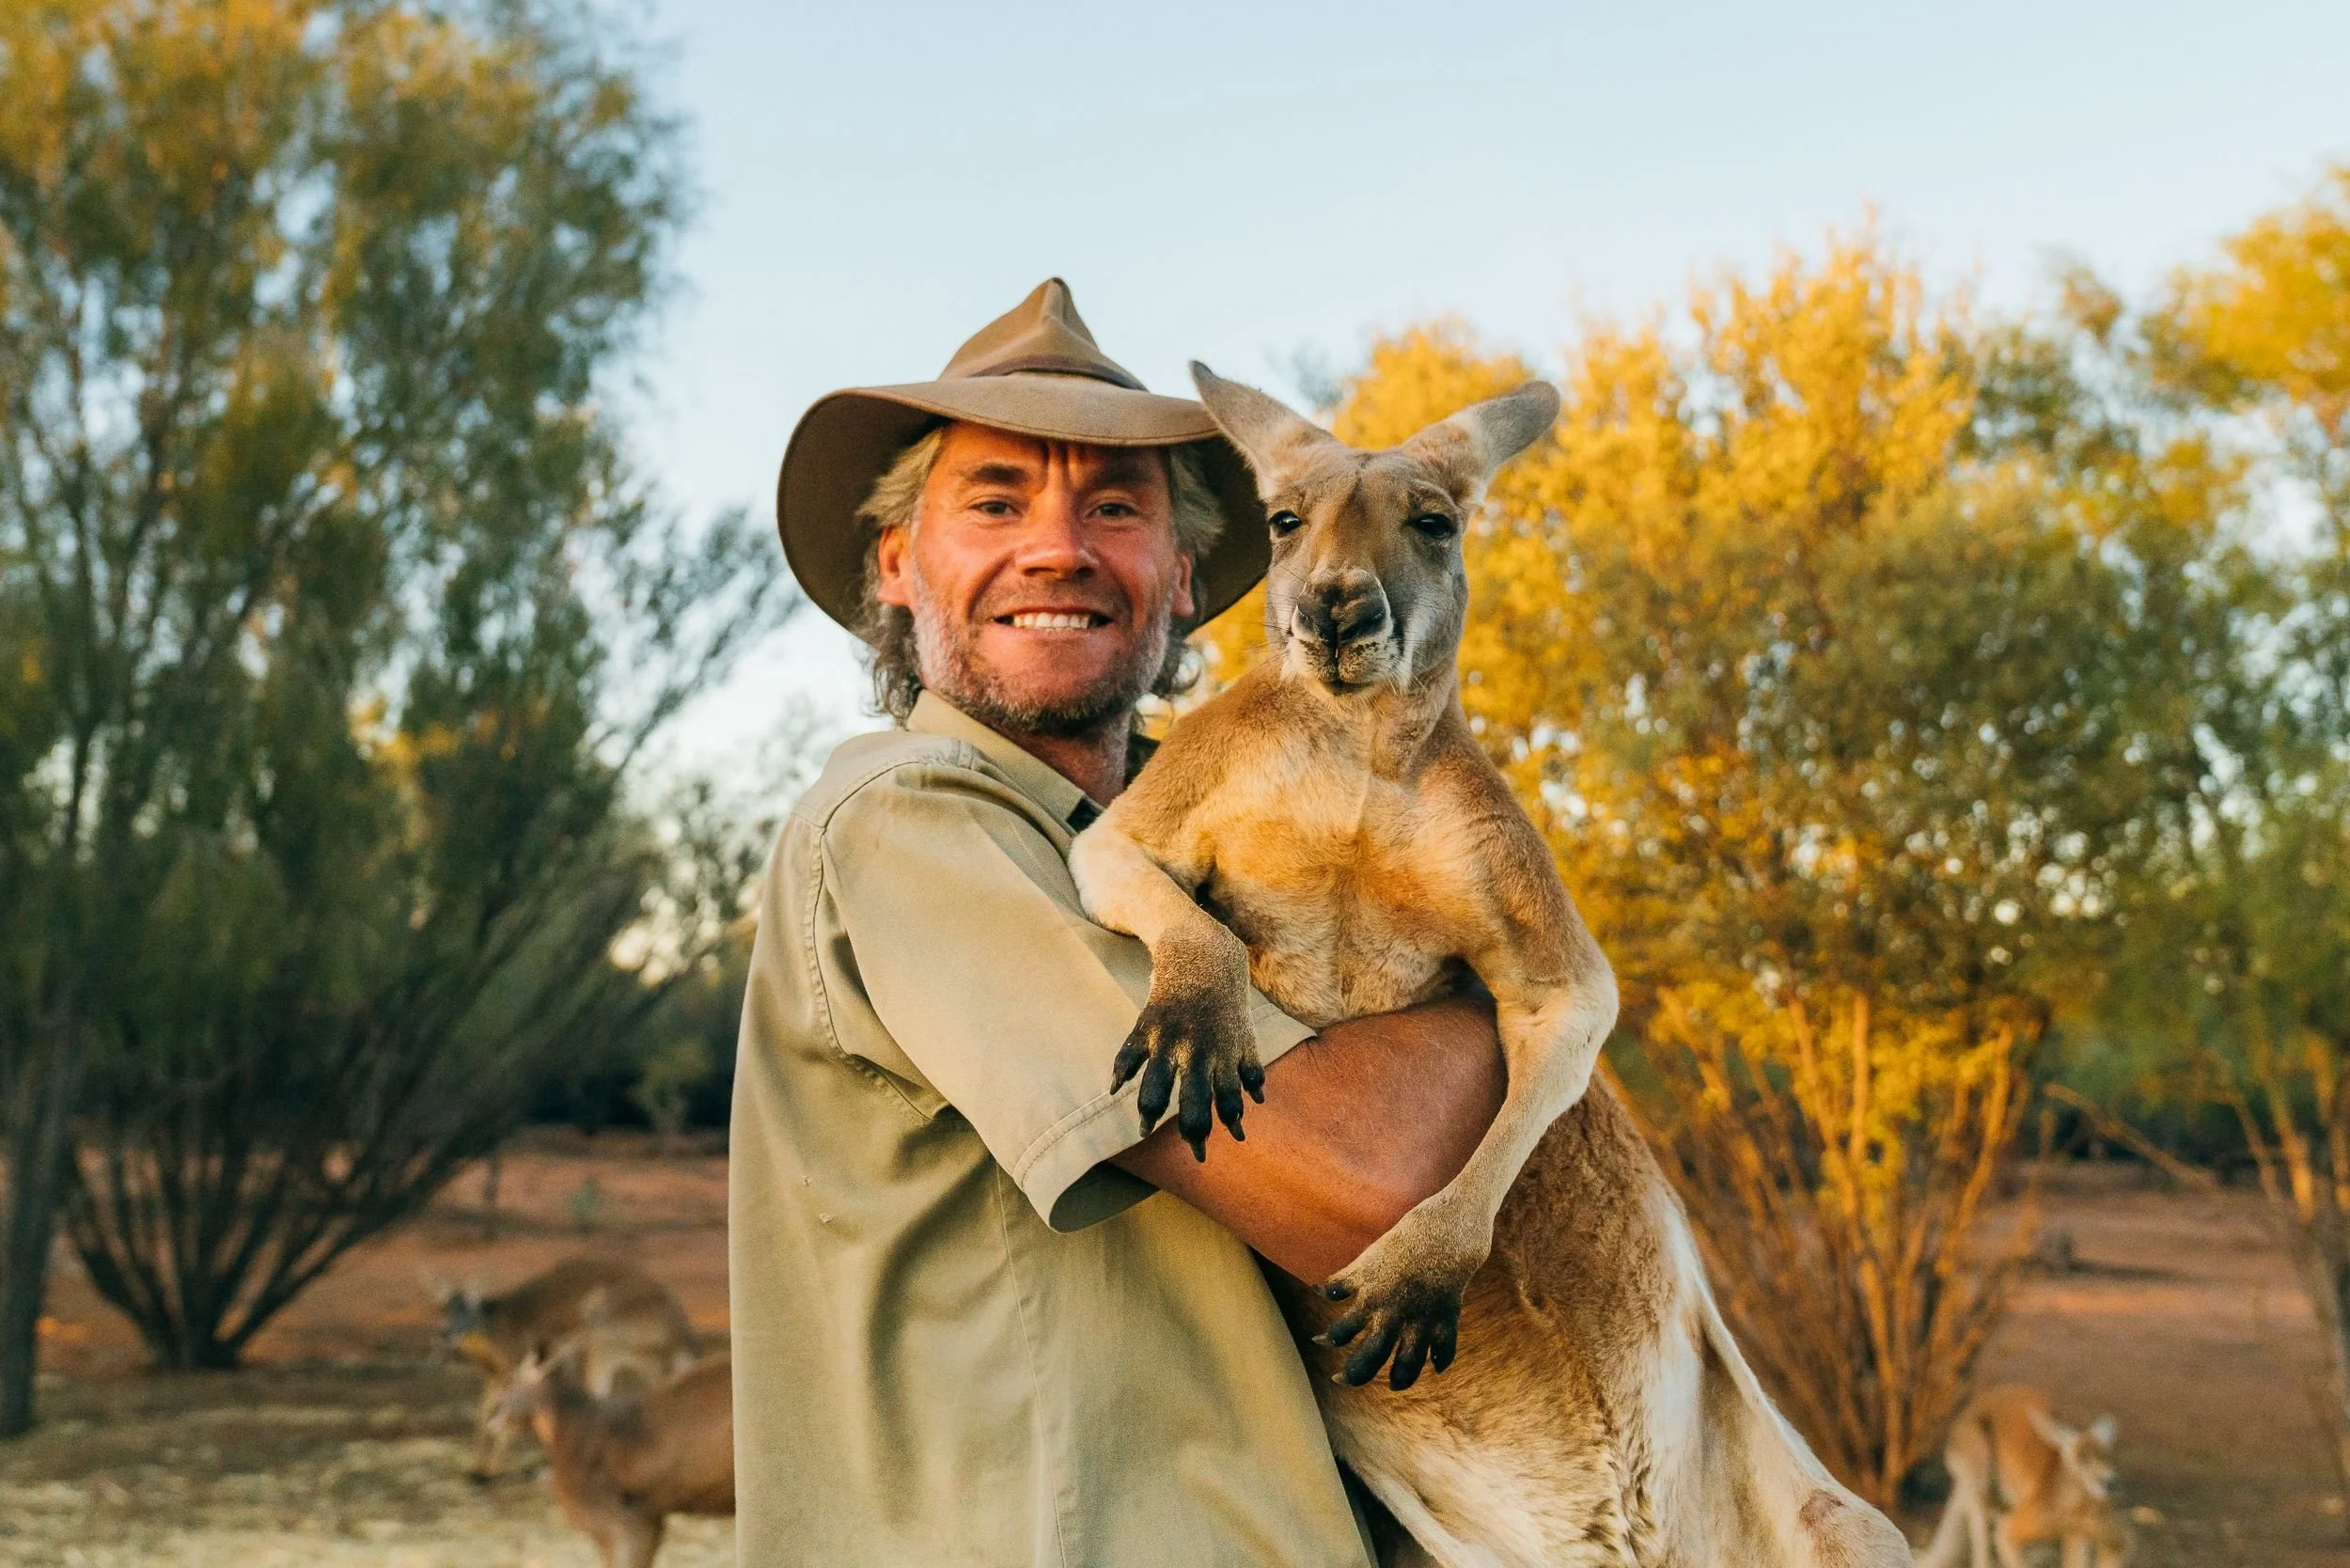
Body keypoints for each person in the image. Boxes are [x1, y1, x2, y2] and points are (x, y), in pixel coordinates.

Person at [730, 279, 1506, 1567]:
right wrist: (1508, 997)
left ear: (1185, 572)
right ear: (896, 562)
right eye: (994, 502)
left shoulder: (1217, 843)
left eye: (1113, 506)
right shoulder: (911, 826)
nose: (1057, 548)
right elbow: (1365, 1189)